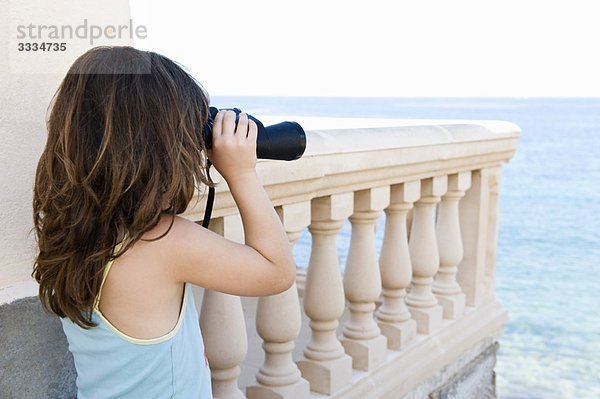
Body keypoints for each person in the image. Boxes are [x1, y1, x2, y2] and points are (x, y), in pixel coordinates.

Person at [32, 46, 296, 398]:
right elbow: (277, 271)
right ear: (161, 149)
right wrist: (242, 173)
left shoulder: (70, 229)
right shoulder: (164, 244)